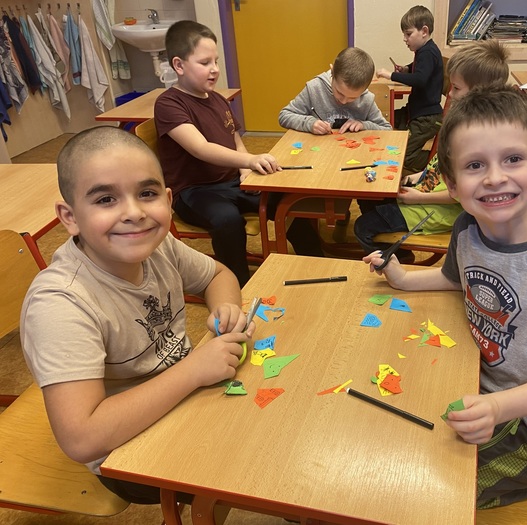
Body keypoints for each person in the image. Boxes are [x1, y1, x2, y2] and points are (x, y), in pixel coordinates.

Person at [363, 85, 527, 509]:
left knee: (421, 499)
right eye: (475, 165)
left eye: (513, 159)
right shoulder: (469, 227)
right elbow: (455, 279)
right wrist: (403, 279)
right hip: (478, 383)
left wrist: (499, 407)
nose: (495, 177)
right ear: (452, 184)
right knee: (380, 438)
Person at [20, 126, 253, 504]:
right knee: (261, 463)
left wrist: (224, 307)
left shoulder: (159, 247)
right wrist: (193, 371)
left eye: (146, 194)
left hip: (187, 396)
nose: (134, 213)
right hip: (126, 452)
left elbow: (218, 275)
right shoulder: (60, 304)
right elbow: (82, 438)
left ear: (168, 200)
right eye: (105, 199)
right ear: (70, 217)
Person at [155, 21, 321, 288]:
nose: (214, 69)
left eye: (216, 61)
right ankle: (237, 285)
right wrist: (250, 161)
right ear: (179, 65)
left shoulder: (218, 99)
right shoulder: (169, 103)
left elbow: (236, 142)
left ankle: (317, 263)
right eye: (205, 62)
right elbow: (200, 148)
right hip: (194, 191)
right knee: (227, 219)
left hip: (232, 181)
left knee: (287, 199)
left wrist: (245, 170)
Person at [354, 40, 510, 263]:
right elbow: (438, 165)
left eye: (456, 88)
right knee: (369, 194)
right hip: (425, 195)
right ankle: (397, 253)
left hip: (439, 210)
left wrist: (419, 198)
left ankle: (399, 260)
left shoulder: (480, 142)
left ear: (481, 93)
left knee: (363, 227)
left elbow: (462, 195)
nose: (451, 94)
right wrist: (416, 177)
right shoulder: (462, 125)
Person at [376, 5, 443, 174]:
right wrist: (406, 69)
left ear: (424, 31)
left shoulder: (428, 52)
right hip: (418, 113)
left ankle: (439, 161)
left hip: (426, 118)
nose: (405, 39)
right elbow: (419, 68)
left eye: (408, 34)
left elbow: (420, 79)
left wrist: (391, 75)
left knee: (404, 156)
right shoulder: (425, 50)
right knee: (387, 119)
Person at [278, 47, 391, 135]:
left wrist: (364, 125)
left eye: (353, 98)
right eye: (340, 93)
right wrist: (310, 123)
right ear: (332, 72)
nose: (343, 101)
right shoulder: (315, 88)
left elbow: (386, 129)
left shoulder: (366, 98)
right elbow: (284, 116)